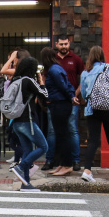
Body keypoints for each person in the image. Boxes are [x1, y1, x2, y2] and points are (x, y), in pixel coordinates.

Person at [79, 46, 109, 182]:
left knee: (93, 140)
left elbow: (83, 93)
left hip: (92, 109)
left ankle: (87, 171)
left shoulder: (85, 72)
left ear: (90, 56)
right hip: (108, 108)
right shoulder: (108, 68)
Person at [7, 54, 51, 191]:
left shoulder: (16, 80)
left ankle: (25, 183)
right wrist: (41, 80)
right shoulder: (28, 81)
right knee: (43, 147)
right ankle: (20, 167)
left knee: (27, 150)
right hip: (27, 121)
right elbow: (45, 95)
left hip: (16, 122)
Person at [43, 48, 78, 176]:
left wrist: (70, 96)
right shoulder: (56, 68)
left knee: (63, 135)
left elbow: (63, 85)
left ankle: (67, 165)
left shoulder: (53, 70)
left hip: (60, 105)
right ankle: (63, 164)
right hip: (60, 104)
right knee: (61, 135)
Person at [54, 35, 85, 171]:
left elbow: (83, 79)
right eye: (61, 44)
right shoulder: (53, 59)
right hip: (56, 101)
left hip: (71, 101)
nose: (64, 47)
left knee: (72, 130)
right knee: (55, 131)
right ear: (56, 44)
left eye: (66, 44)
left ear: (69, 43)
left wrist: (75, 95)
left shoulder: (76, 59)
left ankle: (75, 161)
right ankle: (55, 161)